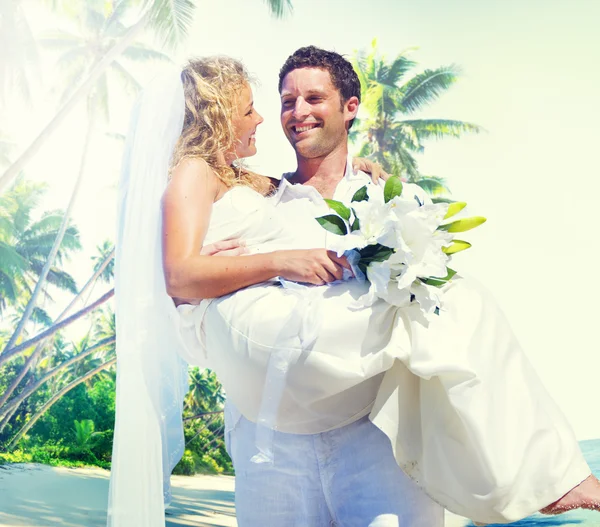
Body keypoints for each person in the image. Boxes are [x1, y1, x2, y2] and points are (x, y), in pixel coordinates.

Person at [108, 50, 600, 527]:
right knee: (465, 308)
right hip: (270, 442)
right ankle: (544, 475)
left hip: (377, 441)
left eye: (314, 99)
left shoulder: (394, 199)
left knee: (459, 308)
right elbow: (180, 271)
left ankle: (532, 473)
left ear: (349, 108)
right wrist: (259, 266)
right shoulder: (261, 192)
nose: (293, 113)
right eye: (282, 102)